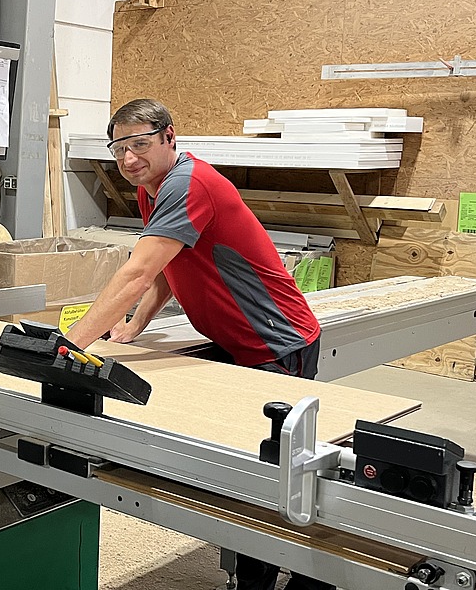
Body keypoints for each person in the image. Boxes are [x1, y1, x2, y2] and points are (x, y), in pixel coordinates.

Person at [64, 98, 329, 590]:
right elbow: (169, 263)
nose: (128, 159)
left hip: (277, 342)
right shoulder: (153, 187)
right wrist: (136, 323)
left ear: (170, 137)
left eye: (140, 144)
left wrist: (69, 344)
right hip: (235, 341)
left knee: (270, 476)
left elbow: (137, 271)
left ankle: (306, 578)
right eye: (119, 148)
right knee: (243, 468)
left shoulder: (190, 183)